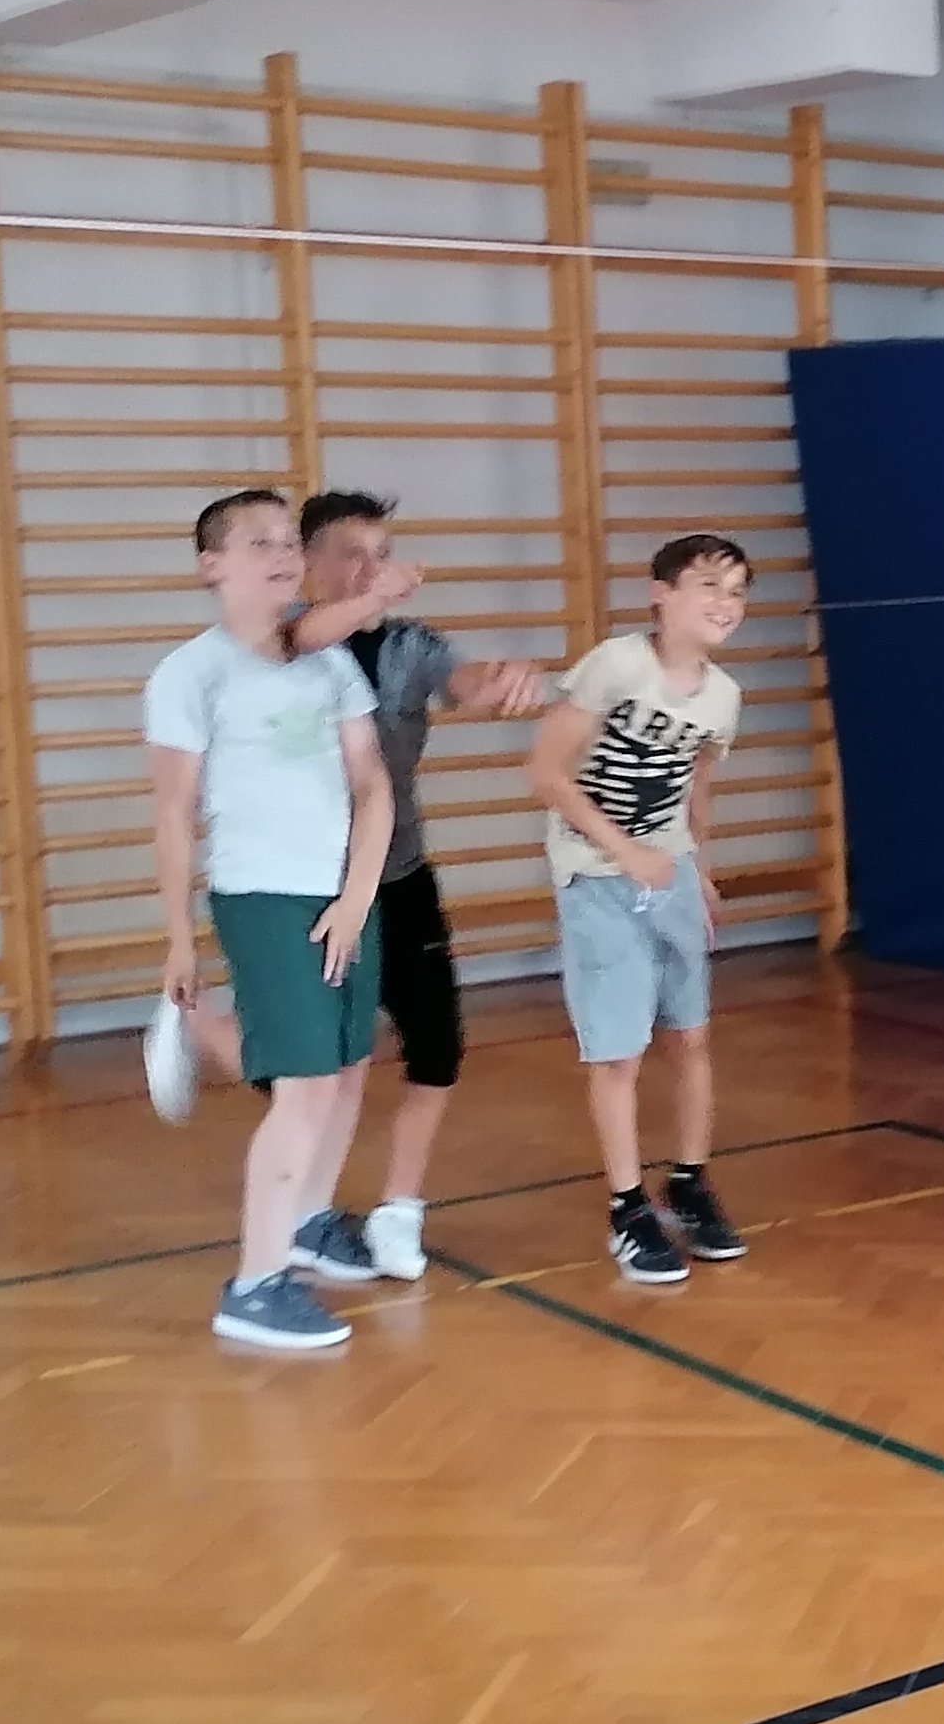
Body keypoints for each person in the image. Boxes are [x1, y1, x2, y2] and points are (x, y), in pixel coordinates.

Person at [142, 487, 395, 1354]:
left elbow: (371, 785)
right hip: (264, 897)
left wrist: (357, 896)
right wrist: (180, 939)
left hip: (344, 895)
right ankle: (254, 1285)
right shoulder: (191, 675)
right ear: (212, 566)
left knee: (349, 1066)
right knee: (306, 1086)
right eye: (261, 543)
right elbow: (174, 814)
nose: (285, 555)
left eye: (291, 541)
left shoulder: (330, 665)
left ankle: (309, 1219)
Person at [274, 491, 546, 1280]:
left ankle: (398, 1211)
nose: (370, 569)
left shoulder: (409, 646)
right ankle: (298, 1206)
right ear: (310, 562)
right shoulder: (279, 640)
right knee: (318, 1064)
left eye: (382, 554)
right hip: (306, 885)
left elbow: (464, 681)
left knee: (436, 1047)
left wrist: (506, 678)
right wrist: (367, 599)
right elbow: (301, 639)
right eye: (352, 554)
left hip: (398, 875)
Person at [529, 532, 754, 1285]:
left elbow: (696, 785)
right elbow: (547, 772)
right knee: (618, 1051)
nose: (725, 603)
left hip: (672, 874)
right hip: (597, 877)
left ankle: (688, 1182)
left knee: (690, 1037)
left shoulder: (723, 697)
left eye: (737, 591)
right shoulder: (617, 665)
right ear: (662, 594)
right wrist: (623, 853)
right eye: (709, 585)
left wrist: (701, 871)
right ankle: (627, 1208)